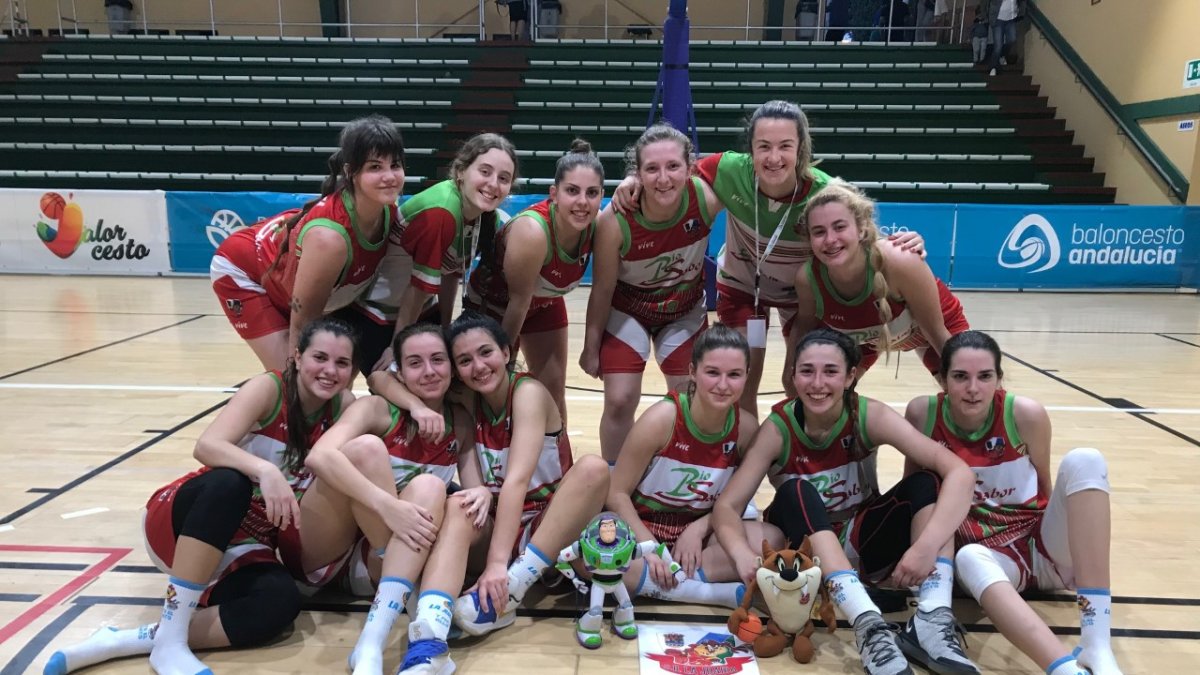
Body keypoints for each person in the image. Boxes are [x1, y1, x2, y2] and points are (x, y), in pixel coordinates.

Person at [43, 318, 359, 675]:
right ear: (298, 358)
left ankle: (135, 639)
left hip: (245, 543)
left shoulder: (344, 411)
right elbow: (207, 445)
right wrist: (265, 470)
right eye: (320, 357)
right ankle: (171, 640)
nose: (330, 370)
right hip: (191, 522)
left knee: (280, 602)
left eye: (342, 363)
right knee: (230, 483)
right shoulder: (269, 389)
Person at [712, 328, 979, 675]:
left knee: (928, 482)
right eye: (806, 370)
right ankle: (869, 627)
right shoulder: (779, 428)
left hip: (861, 541)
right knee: (796, 490)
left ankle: (932, 616)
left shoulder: (868, 415)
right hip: (803, 563)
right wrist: (741, 555)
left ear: (851, 375)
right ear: (792, 375)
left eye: (831, 371)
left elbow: (960, 473)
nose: (817, 383)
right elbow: (727, 506)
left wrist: (924, 547)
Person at [906, 331, 1123, 675]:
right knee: (968, 556)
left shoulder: (1025, 414)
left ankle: (1097, 646)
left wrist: (1065, 547)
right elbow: (916, 493)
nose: (973, 388)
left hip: (1041, 549)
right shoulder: (923, 414)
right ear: (943, 379)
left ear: (999, 379)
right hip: (989, 562)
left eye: (985, 376)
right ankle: (1064, 669)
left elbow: (1046, 485)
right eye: (960, 376)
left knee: (1086, 459)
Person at [304, 323, 491, 675]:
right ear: (400, 373)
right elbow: (319, 457)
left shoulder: (460, 422)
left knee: (433, 489)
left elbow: (471, 485)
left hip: (381, 562)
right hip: (335, 544)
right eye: (415, 363)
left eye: (438, 360)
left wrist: (481, 491)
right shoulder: (377, 409)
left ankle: (371, 643)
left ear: (452, 366)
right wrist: (387, 506)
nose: (429, 371)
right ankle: (401, 623)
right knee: (365, 449)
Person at [446, 312, 611, 637]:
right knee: (452, 504)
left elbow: (517, 481)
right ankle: (431, 609)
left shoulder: (528, 392)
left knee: (593, 468)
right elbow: (387, 379)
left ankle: (511, 586)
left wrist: (496, 565)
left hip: (547, 524)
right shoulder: (465, 400)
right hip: (500, 527)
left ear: (507, 352)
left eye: (485, 352)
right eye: (464, 360)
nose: (478, 366)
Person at [605, 324, 779, 611]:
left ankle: (659, 583)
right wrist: (650, 548)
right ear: (692, 371)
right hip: (642, 527)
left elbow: (731, 505)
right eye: (712, 372)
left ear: (747, 376)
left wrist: (698, 529)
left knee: (770, 539)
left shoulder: (746, 428)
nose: (723, 385)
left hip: (699, 535)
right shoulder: (662, 418)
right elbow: (616, 493)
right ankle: (700, 592)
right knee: (593, 548)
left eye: (734, 375)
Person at [211, 115, 404, 372]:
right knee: (299, 380)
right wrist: (298, 383)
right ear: (351, 172)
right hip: (245, 272)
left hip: (287, 276)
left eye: (396, 165)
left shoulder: (389, 210)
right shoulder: (329, 240)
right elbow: (302, 324)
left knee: (332, 379)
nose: (389, 176)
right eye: (375, 167)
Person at [582, 122, 723, 462]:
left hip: (684, 310)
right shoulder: (614, 221)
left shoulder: (705, 198)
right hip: (629, 311)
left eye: (673, 166)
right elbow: (601, 289)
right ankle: (615, 481)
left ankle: (685, 473)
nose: (663, 179)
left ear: (690, 167)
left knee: (690, 397)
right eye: (651, 169)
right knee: (619, 399)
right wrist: (590, 346)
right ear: (638, 174)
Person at [344, 133, 518, 374]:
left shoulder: (484, 217)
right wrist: (397, 345)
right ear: (461, 172)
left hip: (420, 309)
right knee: (397, 391)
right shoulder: (442, 212)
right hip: (375, 312)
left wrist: (446, 328)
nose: (493, 184)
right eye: (485, 172)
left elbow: (450, 274)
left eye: (503, 178)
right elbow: (418, 288)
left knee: (445, 383)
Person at [465, 139, 604, 423]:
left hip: (542, 304)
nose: (582, 202)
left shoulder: (599, 224)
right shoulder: (532, 231)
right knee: (492, 397)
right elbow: (518, 304)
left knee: (553, 397)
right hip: (496, 308)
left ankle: (561, 466)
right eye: (572, 191)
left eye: (592, 193)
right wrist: (503, 359)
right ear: (554, 194)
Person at [793, 179, 969, 377]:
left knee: (969, 393)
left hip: (932, 332)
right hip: (868, 342)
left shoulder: (899, 261)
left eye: (840, 227)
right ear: (809, 238)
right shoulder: (808, 280)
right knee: (826, 394)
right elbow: (802, 333)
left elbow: (937, 334)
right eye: (819, 232)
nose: (830, 239)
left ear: (861, 229)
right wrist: (789, 376)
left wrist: (966, 385)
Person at [986, 0, 1024, 76]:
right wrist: (988, 16)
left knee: (1012, 39)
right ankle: (993, 67)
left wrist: (1021, 11)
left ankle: (1001, 55)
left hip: (1011, 18)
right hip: (998, 18)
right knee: (998, 45)